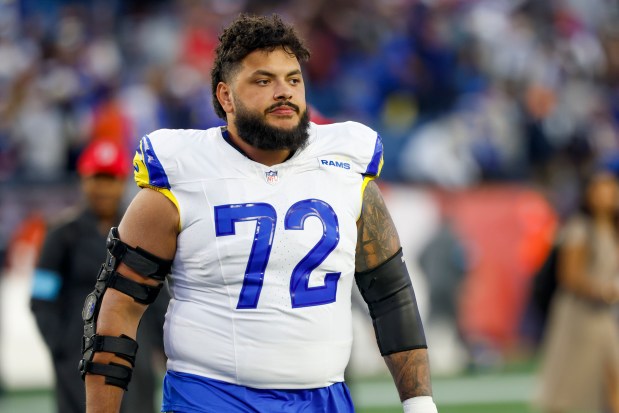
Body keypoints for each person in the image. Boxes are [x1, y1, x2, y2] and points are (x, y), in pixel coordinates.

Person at [81, 14, 437, 413]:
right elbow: (116, 310)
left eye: (293, 79)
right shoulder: (181, 176)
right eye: (263, 81)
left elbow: (390, 294)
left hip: (323, 398)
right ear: (226, 96)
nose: (283, 92)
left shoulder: (345, 167)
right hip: (211, 396)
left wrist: (419, 403)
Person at [30, 139, 167, 413]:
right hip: (78, 357)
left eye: (111, 179)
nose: (104, 189)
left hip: (134, 354)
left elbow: (158, 296)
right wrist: (61, 347)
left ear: (122, 182)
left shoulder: (141, 230)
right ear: (84, 181)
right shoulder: (62, 236)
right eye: (98, 179)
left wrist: (161, 349)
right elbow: (41, 298)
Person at [536, 169, 619, 413]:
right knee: (571, 384)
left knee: (610, 377)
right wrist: (605, 290)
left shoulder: (612, 229)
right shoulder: (579, 227)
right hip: (580, 316)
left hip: (604, 315)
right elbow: (569, 276)